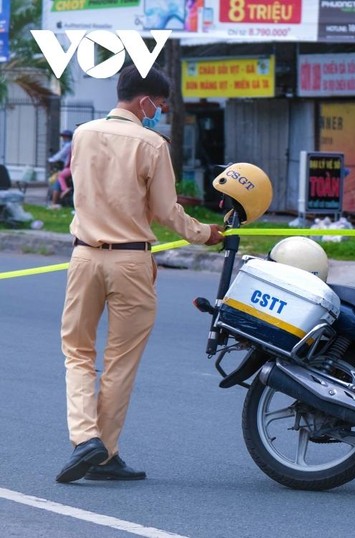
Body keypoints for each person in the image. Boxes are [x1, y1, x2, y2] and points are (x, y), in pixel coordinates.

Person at [56, 64, 227, 484]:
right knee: (120, 363)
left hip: (84, 257)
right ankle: (103, 449)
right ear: (144, 100)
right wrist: (206, 234)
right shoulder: (152, 144)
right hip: (132, 261)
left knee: (77, 353)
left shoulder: (83, 134)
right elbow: (168, 211)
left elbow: (83, 193)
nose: (160, 112)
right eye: (160, 104)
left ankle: (87, 441)